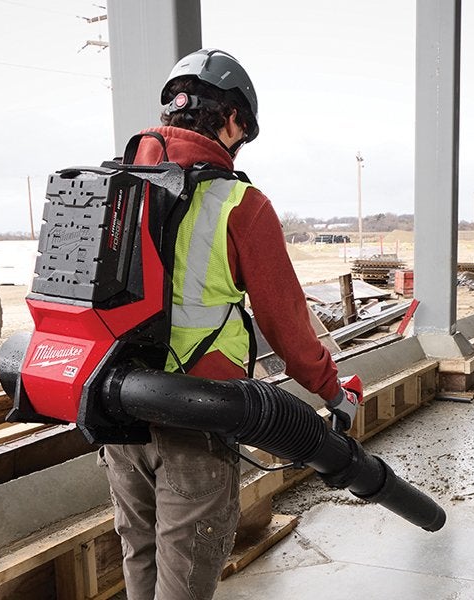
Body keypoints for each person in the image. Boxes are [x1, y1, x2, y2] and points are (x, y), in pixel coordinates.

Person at [98, 48, 360, 600]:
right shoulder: (240, 204)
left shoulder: (113, 189)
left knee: (139, 560)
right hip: (196, 417)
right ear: (232, 119)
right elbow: (287, 323)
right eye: (244, 130)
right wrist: (333, 391)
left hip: (117, 415)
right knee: (185, 580)